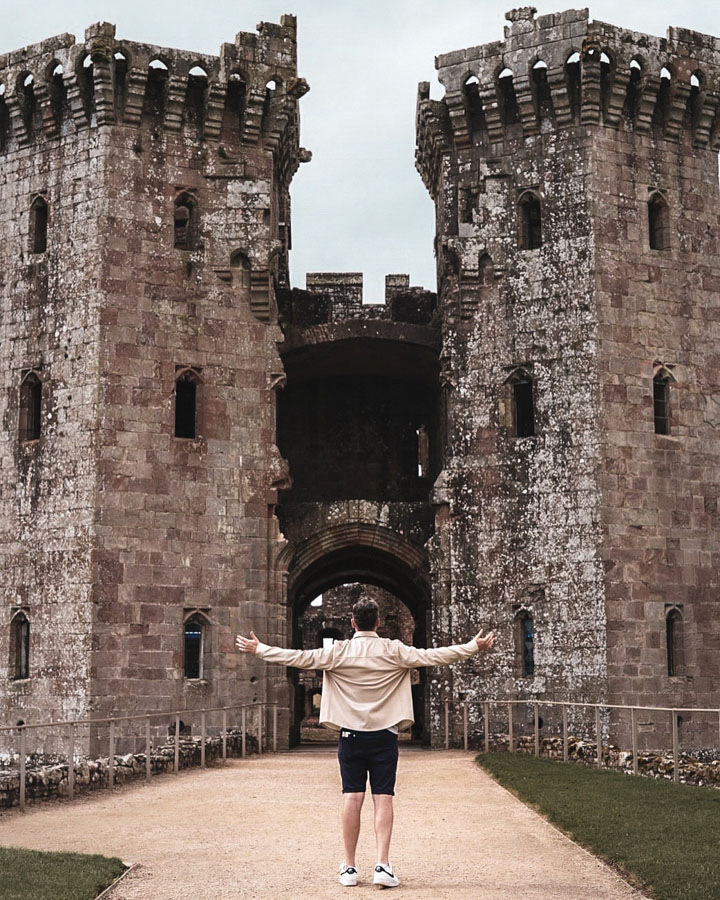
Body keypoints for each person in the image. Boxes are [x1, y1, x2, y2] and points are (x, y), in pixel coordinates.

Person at [236, 596, 495, 888]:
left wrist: (260, 649)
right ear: (378, 622)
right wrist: (473, 647)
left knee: (352, 797)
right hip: (384, 736)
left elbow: (298, 657)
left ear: (352, 623)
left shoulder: (338, 652)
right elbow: (433, 656)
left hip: (351, 737)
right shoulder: (393, 650)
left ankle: (348, 868)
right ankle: (382, 865)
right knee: (383, 798)